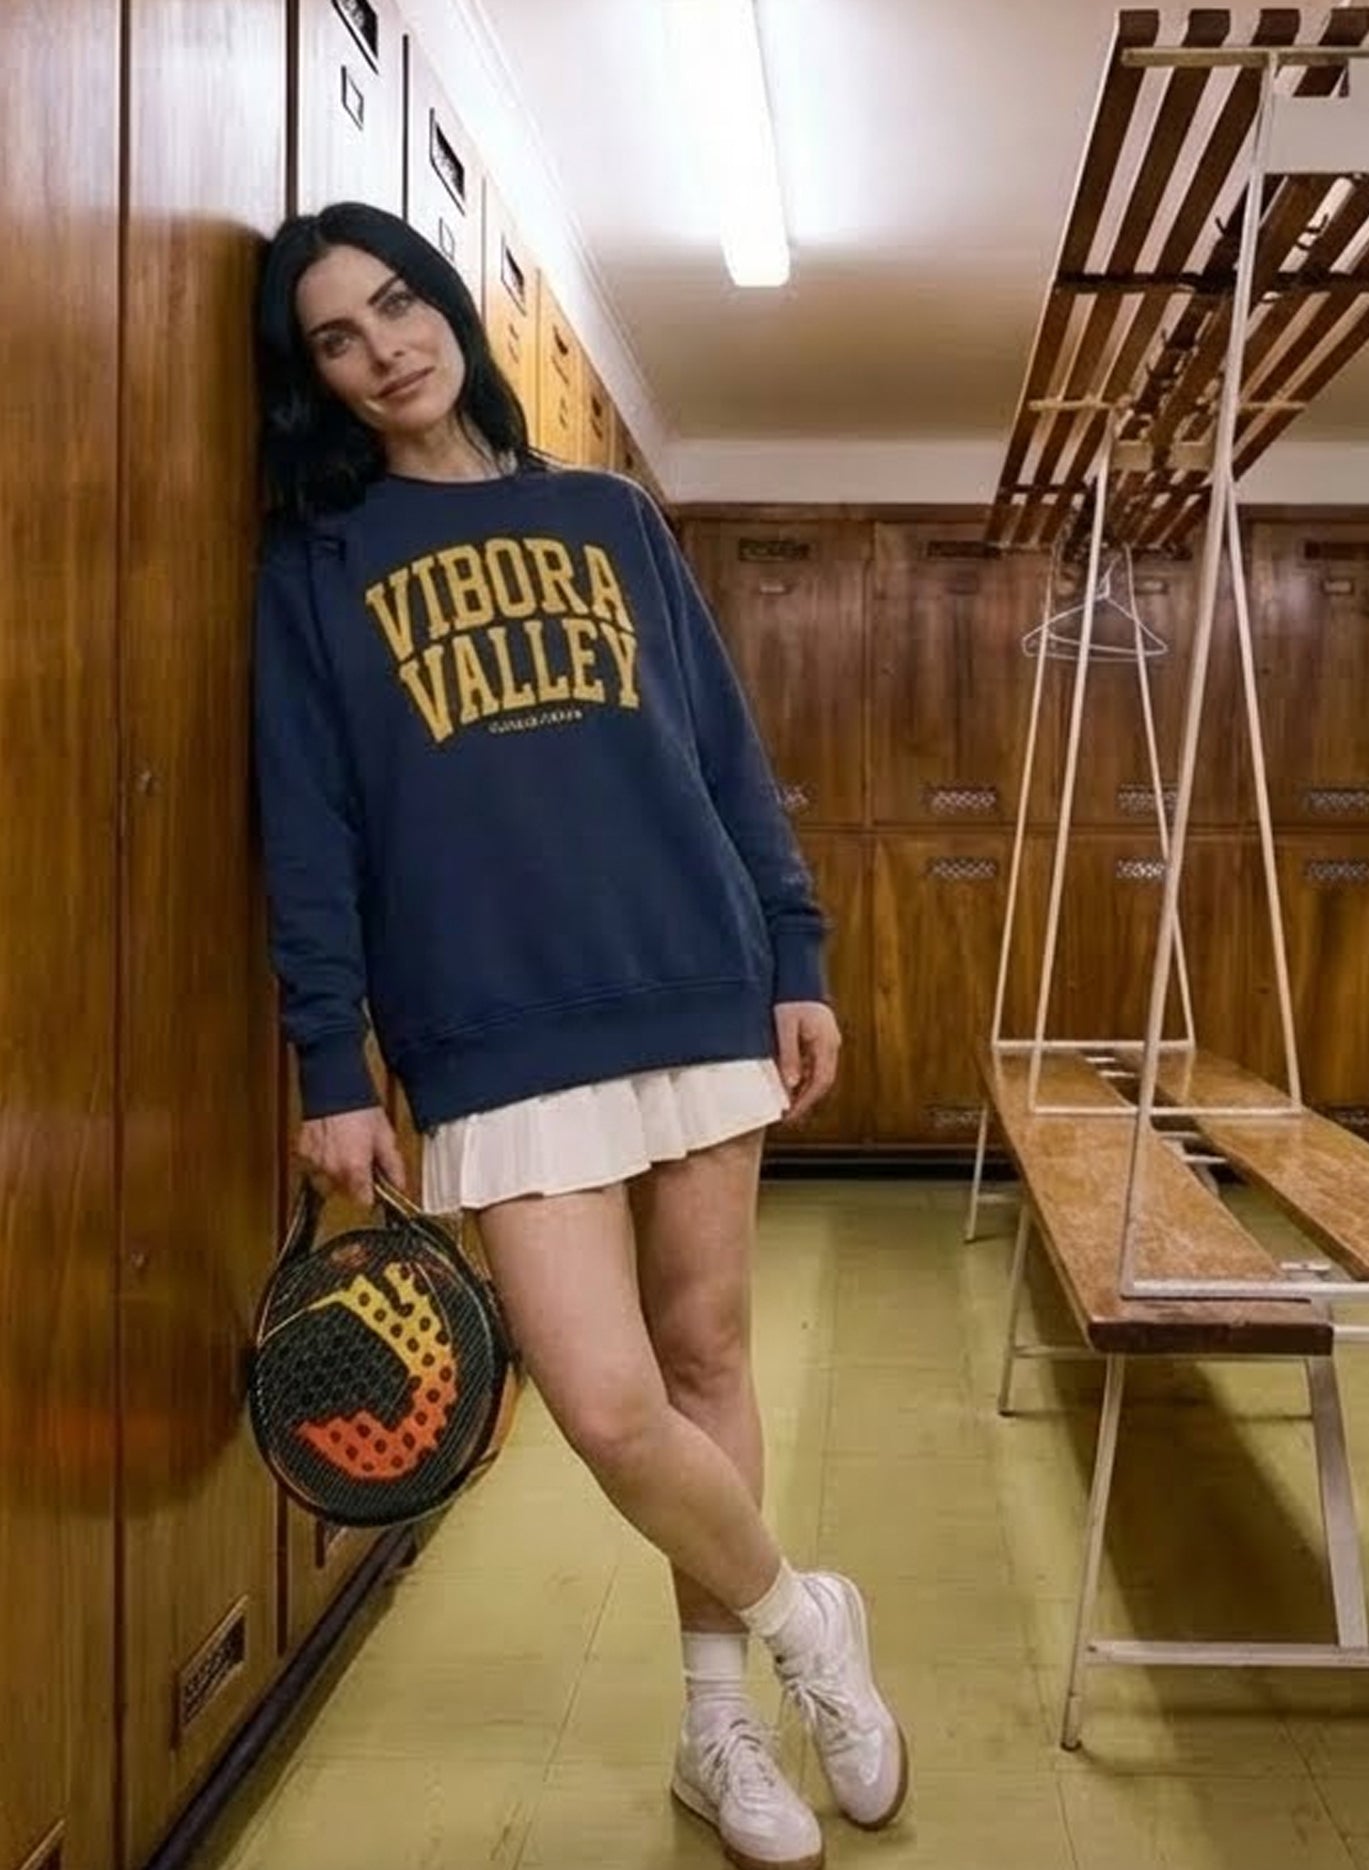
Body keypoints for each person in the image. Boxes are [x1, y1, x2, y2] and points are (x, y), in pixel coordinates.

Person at [252, 202, 908, 1870]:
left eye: (398, 304)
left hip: (688, 978)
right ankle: (804, 1613)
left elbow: (718, 750)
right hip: (488, 1023)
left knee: (705, 1364)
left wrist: (797, 950)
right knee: (607, 1404)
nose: (383, 346)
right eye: (336, 334)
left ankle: (717, 1731)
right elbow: (310, 826)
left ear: (449, 310)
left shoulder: (607, 516)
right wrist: (333, 1061)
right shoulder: (316, 569)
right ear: (311, 375)